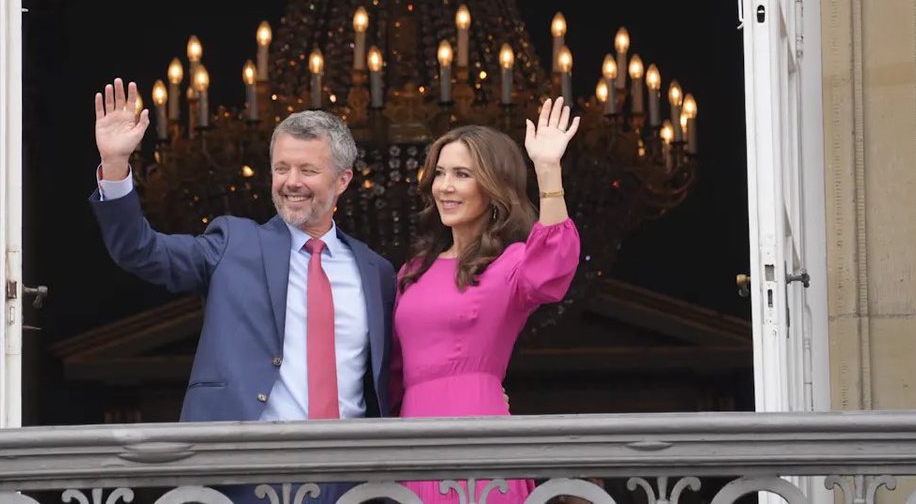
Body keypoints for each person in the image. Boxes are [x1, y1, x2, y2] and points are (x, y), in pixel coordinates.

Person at [90, 79, 396, 499]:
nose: (291, 181)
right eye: (281, 168)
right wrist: (115, 165)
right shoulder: (234, 243)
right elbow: (141, 251)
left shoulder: (375, 271)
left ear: (342, 180)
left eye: (308, 170)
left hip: (350, 480)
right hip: (241, 471)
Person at [392, 97, 582, 504]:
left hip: (477, 430)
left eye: (462, 174)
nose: (445, 186)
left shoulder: (510, 264)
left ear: (492, 187)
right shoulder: (414, 269)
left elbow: (553, 266)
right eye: (440, 173)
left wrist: (548, 170)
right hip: (410, 435)